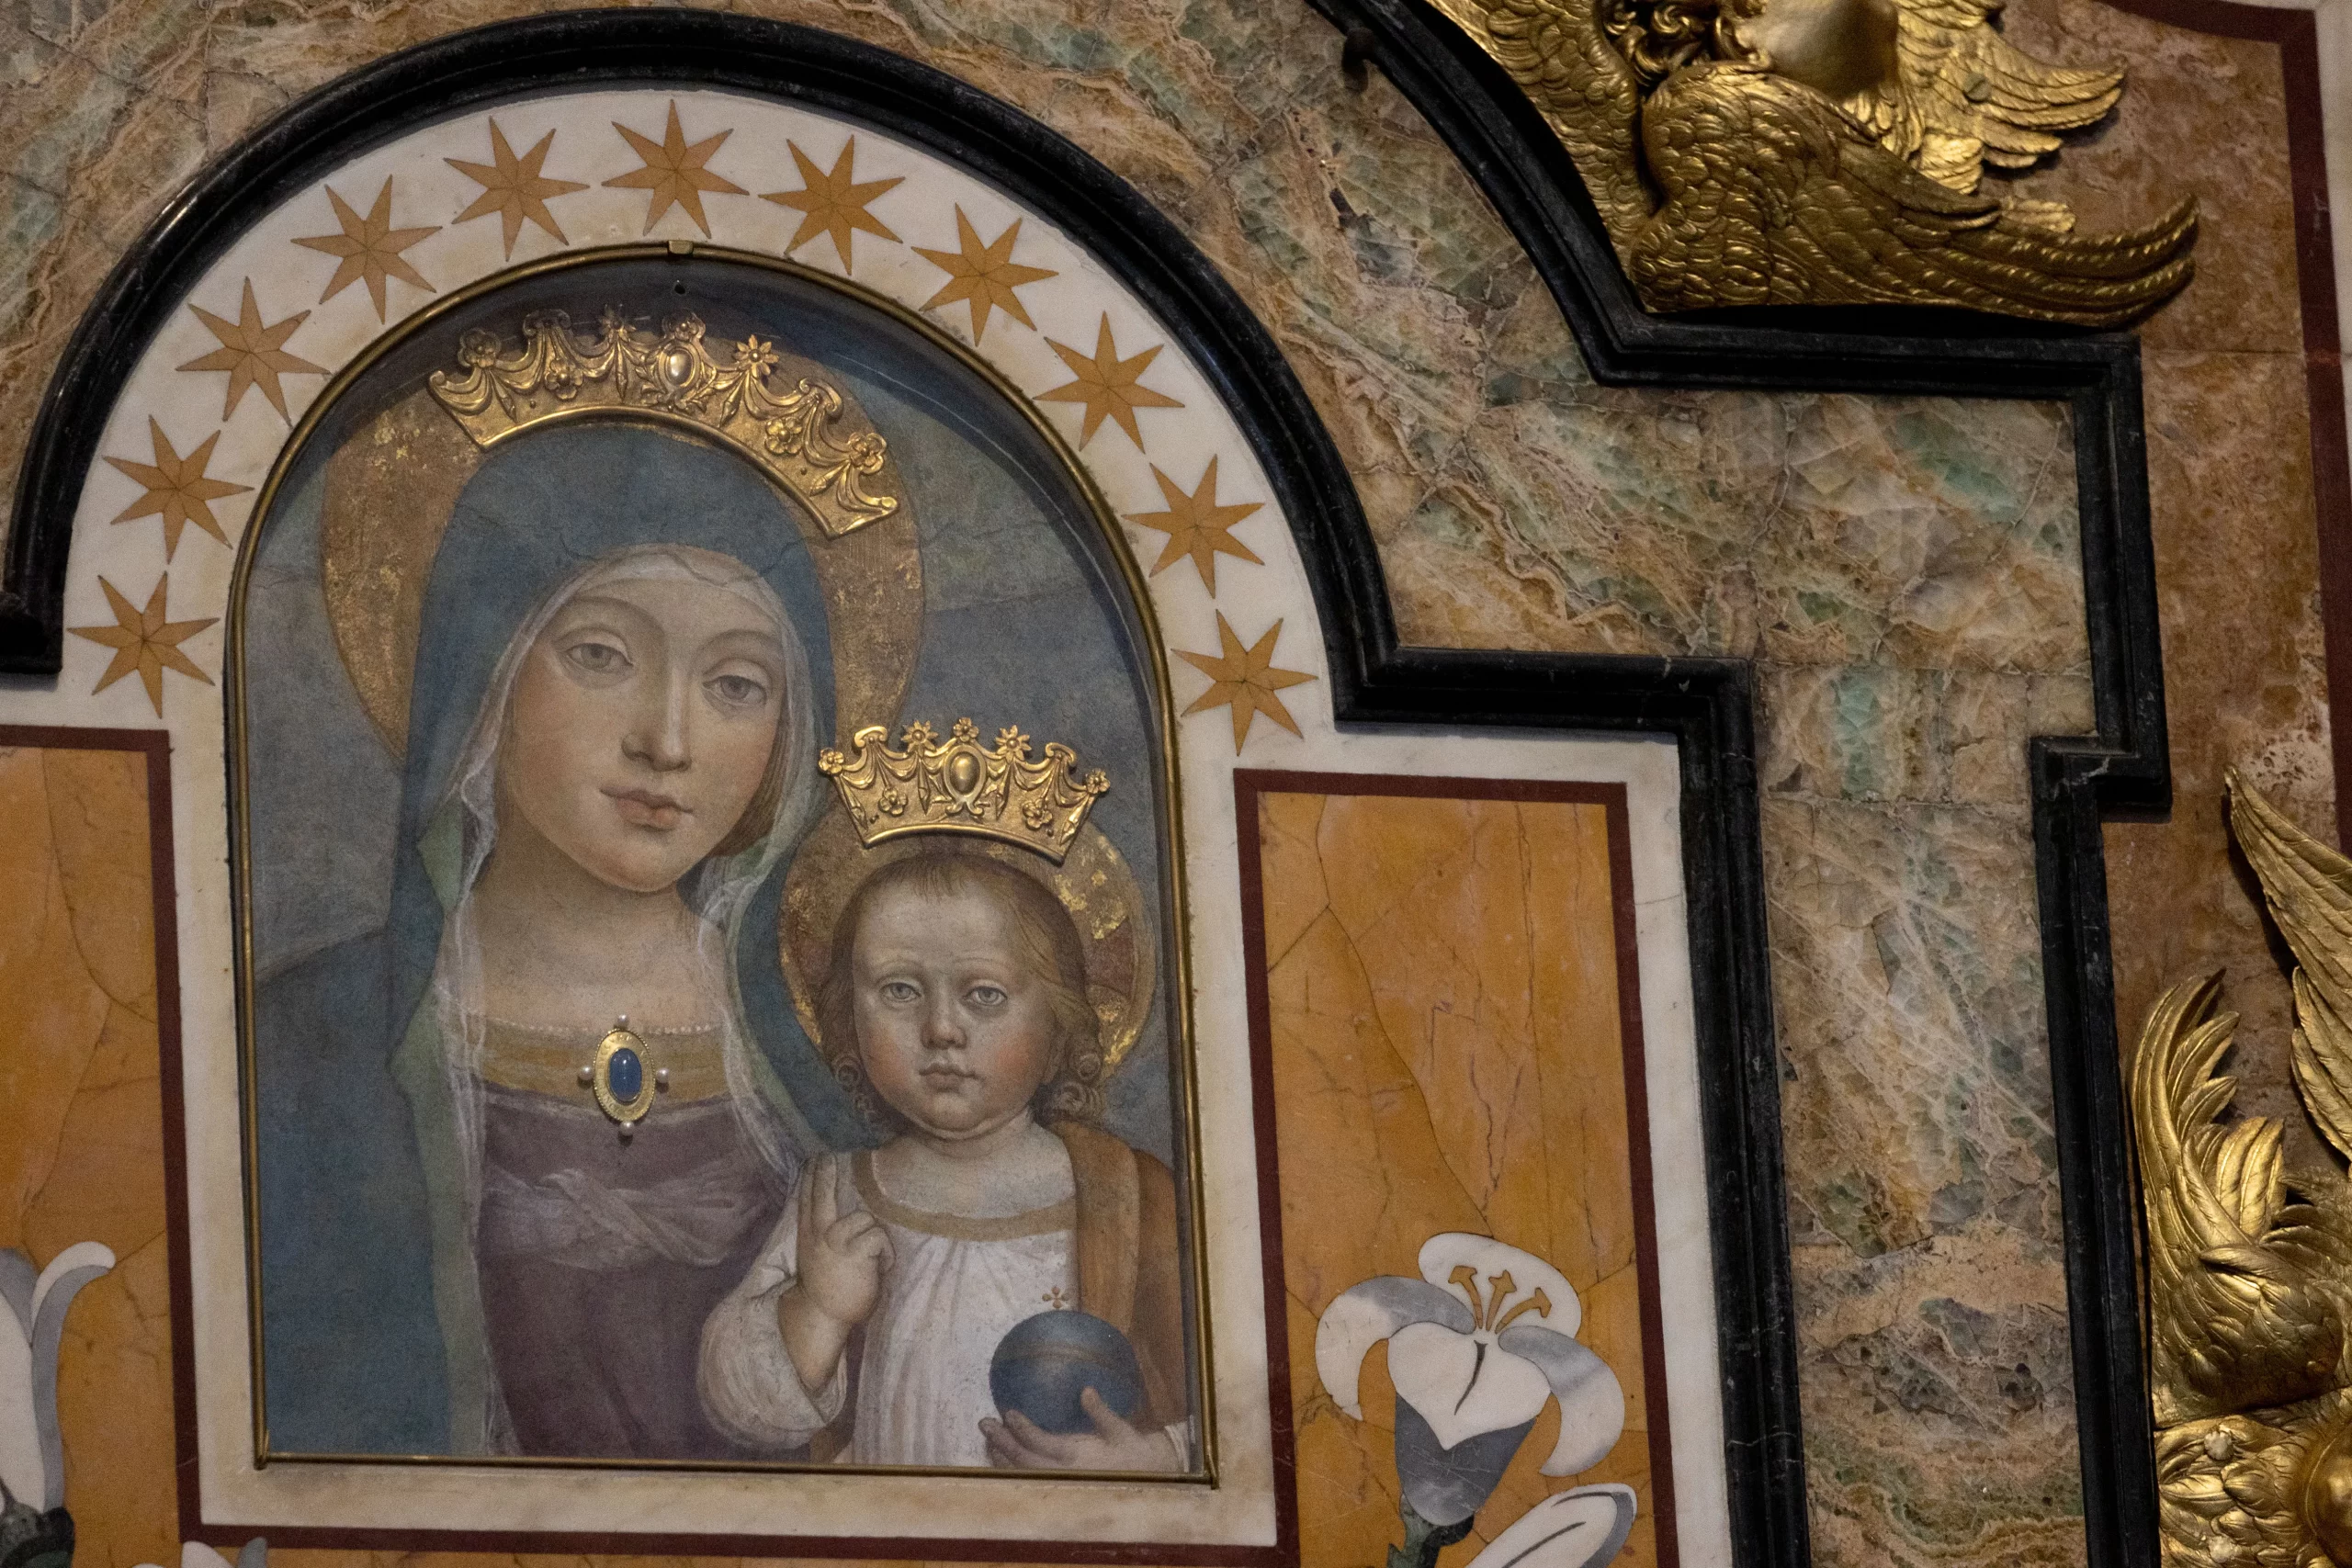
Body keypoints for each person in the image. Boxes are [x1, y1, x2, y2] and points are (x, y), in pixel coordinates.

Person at [254, 424, 854, 1459]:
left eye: (737, 685)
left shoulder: (834, 1041)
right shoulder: (314, 1040)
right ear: (481, 672)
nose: (667, 742)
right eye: (600, 656)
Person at [698, 848, 1191, 1469]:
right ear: (850, 1014)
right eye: (900, 989)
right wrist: (816, 1309)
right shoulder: (839, 1193)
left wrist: (1152, 1460)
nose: (940, 1029)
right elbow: (736, 1403)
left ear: (1059, 1023)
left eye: (983, 994)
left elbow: (1233, 1402)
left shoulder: (1128, 1195)